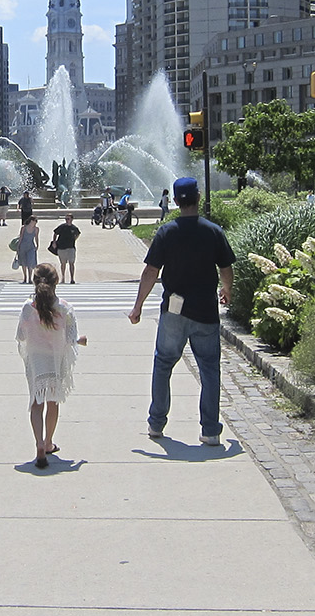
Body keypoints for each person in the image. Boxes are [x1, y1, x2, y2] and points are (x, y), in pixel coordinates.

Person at [127, 176, 235, 446]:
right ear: (198, 197)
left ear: (175, 201)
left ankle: (156, 424)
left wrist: (138, 306)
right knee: (209, 369)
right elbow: (226, 268)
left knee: (163, 364)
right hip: (206, 312)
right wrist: (227, 290)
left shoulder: (167, 232)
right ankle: (210, 430)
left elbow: (151, 271)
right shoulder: (213, 231)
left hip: (174, 311)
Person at [16, 263, 86, 469]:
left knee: (36, 403)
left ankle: (38, 443)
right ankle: (48, 442)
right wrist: (80, 339)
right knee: (52, 402)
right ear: (57, 281)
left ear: (35, 281)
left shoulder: (28, 308)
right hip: (55, 361)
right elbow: (70, 338)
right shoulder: (64, 308)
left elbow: (20, 335)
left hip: (36, 361)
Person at [51, 213, 81, 284]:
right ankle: (63, 277)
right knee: (63, 264)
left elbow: (78, 234)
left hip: (71, 247)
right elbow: (55, 233)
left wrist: (74, 239)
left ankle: (72, 278)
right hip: (62, 247)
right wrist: (54, 242)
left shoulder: (74, 228)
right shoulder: (62, 227)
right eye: (66, 219)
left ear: (71, 219)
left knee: (72, 263)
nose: (67, 220)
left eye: (68, 219)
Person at [15, 215, 41, 283]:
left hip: (31, 246)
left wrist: (37, 245)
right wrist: (18, 246)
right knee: (23, 263)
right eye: (34, 221)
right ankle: (25, 277)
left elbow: (36, 237)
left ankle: (30, 278)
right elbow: (20, 237)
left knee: (30, 262)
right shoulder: (24, 228)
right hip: (23, 246)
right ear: (31, 221)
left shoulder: (36, 229)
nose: (35, 223)